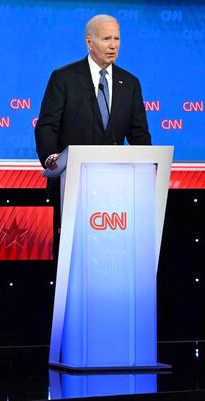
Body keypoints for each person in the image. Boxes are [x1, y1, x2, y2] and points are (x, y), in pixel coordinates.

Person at [34, 14, 151, 259]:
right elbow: (46, 126)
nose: (113, 45)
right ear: (89, 43)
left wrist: (146, 168)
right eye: (106, 38)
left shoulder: (130, 83)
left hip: (118, 189)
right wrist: (50, 157)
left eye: (117, 38)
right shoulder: (63, 78)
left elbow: (139, 134)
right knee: (74, 256)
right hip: (72, 185)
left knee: (113, 256)